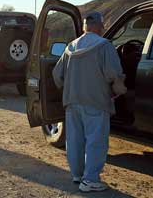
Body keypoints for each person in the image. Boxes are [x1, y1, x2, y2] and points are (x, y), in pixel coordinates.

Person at [52, 11, 127, 192]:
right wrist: (120, 91)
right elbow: (114, 75)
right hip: (96, 102)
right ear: (99, 26)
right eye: (102, 26)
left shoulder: (71, 47)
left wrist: (70, 88)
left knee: (75, 140)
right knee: (96, 141)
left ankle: (78, 175)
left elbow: (56, 75)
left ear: (85, 27)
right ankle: (91, 180)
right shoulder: (104, 46)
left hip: (72, 102)